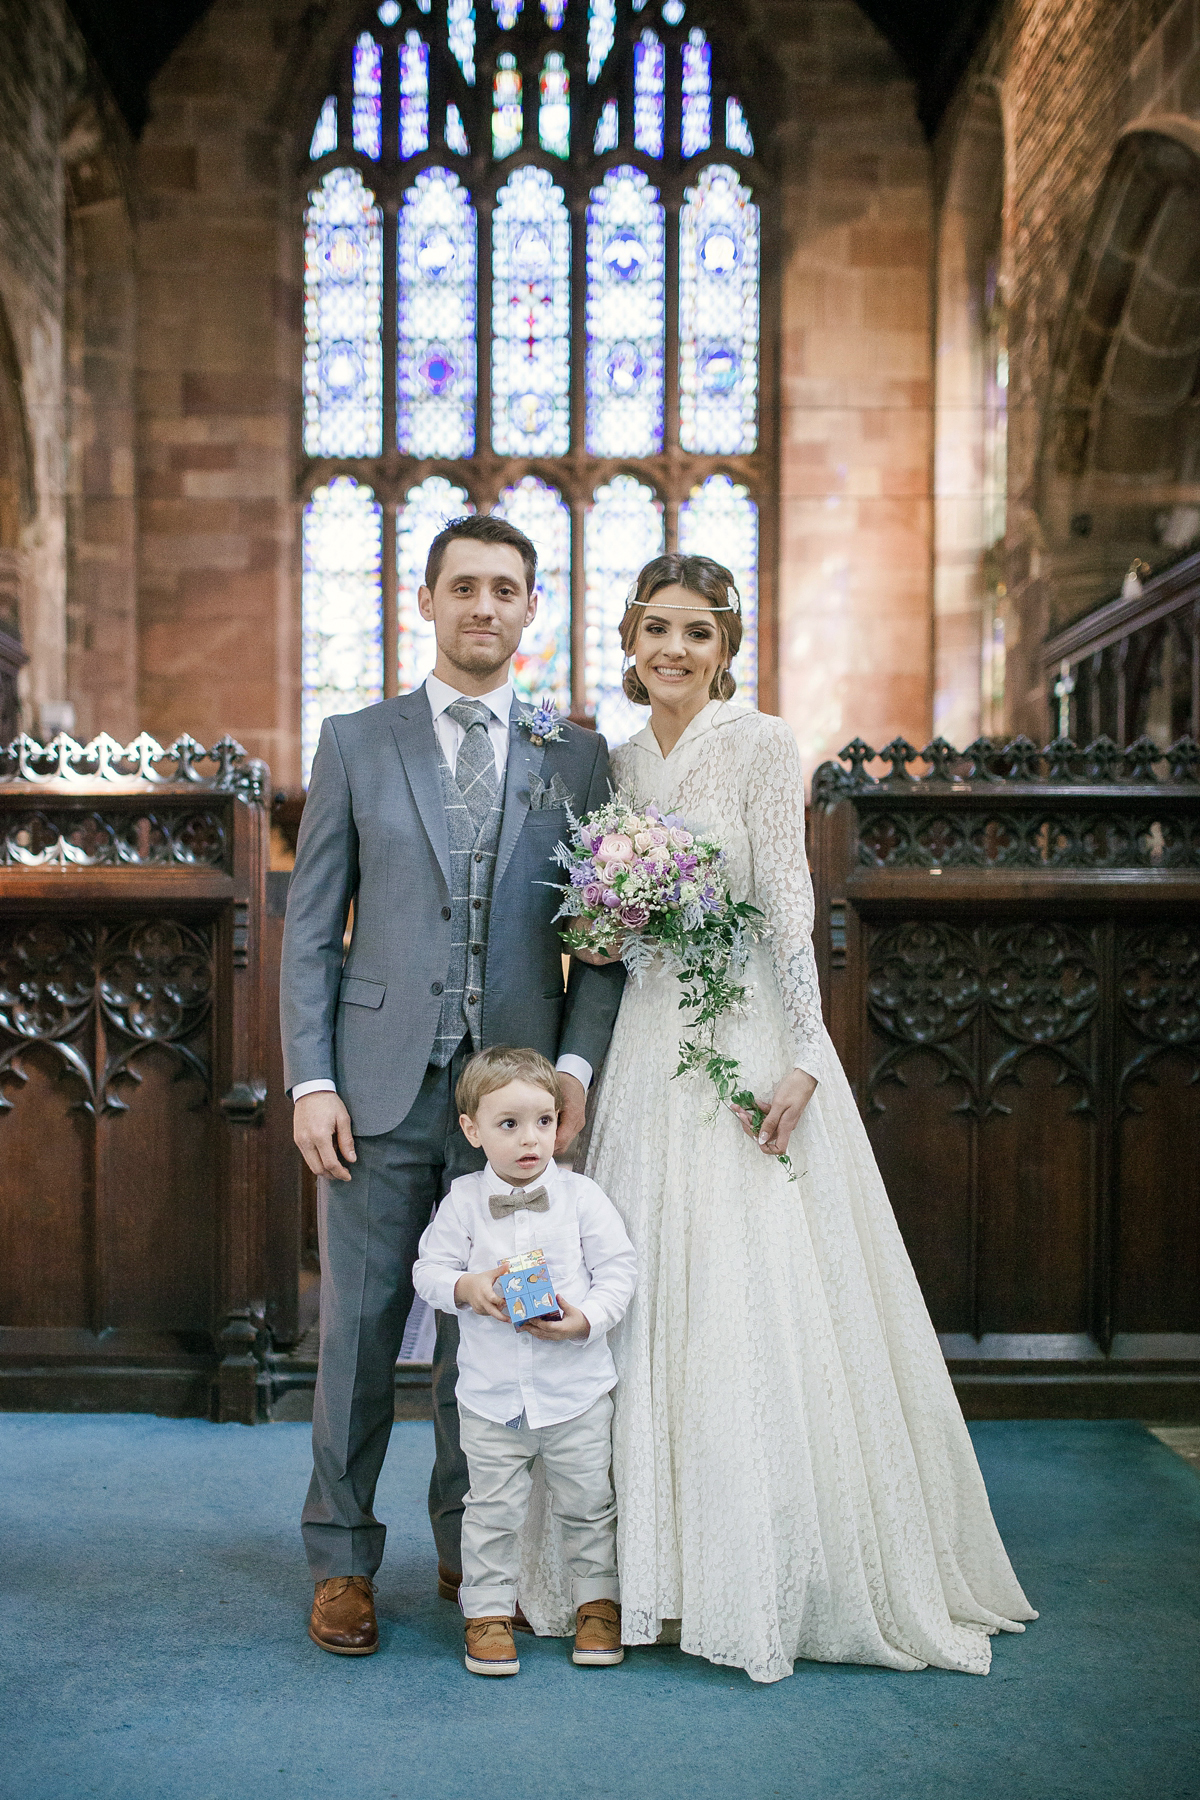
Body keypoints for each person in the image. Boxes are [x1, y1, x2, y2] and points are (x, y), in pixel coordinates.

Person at [520, 552, 1037, 1684]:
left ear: (727, 646)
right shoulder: (609, 762)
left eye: (698, 632)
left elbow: (788, 902)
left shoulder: (760, 743)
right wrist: (600, 930)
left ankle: (763, 1565)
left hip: (742, 1033)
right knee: (642, 1279)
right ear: (626, 637)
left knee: (754, 1286)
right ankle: (639, 1568)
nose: (675, 650)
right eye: (657, 627)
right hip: (645, 1039)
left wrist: (807, 1052)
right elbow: (600, 928)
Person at [280, 515, 625, 1656]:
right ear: (422, 601)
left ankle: (469, 1556)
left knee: (502, 1335)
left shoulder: (573, 757)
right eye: (464, 587)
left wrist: (570, 1068)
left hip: (515, 1111)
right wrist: (311, 1080)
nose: (485, 606)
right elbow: (310, 934)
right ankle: (341, 1560)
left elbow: (602, 936)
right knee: (364, 1334)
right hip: (376, 1091)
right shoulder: (354, 742)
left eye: (507, 590)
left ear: (534, 610)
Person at [413, 1045, 637, 1676]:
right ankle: (485, 1611)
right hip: (491, 1399)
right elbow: (428, 1272)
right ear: (472, 1129)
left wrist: (586, 1319)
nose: (529, 1139)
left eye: (542, 1121)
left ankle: (598, 1604)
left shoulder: (582, 1197)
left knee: (590, 1503)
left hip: (576, 1391)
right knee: (490, 1509)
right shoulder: (461, 1202)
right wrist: (469, 1288)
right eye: (508, 1124)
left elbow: (619, 1270)